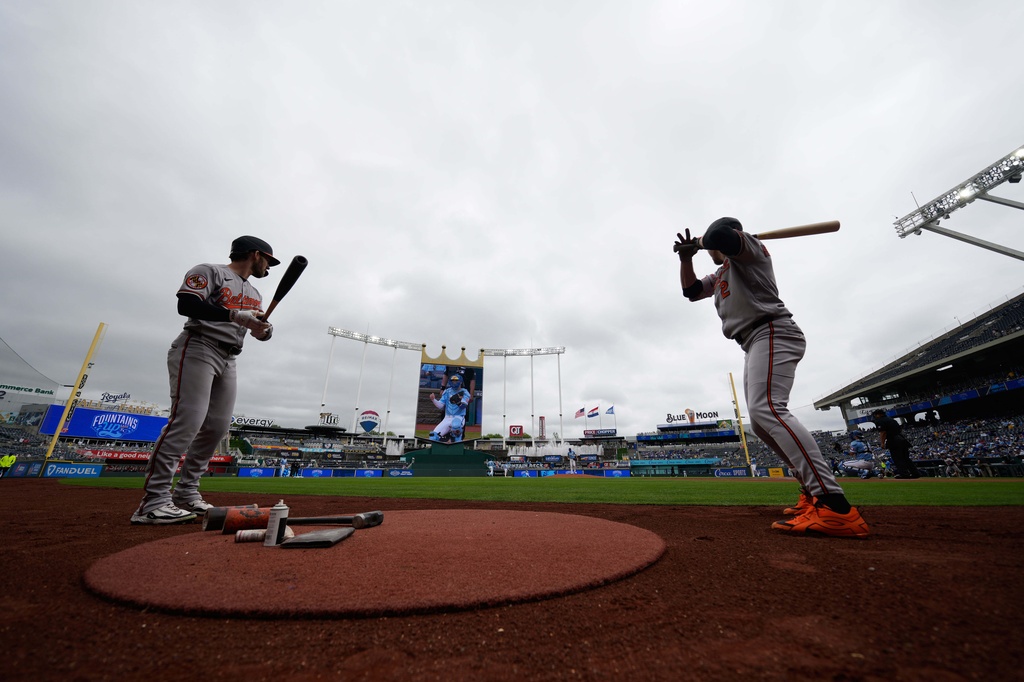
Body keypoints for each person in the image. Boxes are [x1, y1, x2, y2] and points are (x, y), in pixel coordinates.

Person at [676, 217, 869, 537]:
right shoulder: (722, 272)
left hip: (772, 330)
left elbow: (718, 234)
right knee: (761, 420)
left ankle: (835, 507)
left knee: (769, 409)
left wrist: (700, 242)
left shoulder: (748, 250)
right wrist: (686, 259)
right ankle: (811, 492)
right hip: (754, 341)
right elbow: (691, 291)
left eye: (713, 244)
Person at [131, 236, 277, 524]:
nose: (269, 268)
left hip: (230, 356)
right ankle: (154, 501)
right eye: (268, 261)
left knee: (218, 426)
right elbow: (187, 305)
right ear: (255, 254)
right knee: (188, 420)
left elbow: (248, 325)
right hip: (199, 346)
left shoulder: (256, 293)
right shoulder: (210, 270)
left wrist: (262, 331)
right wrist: (237, 316)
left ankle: (186, 492)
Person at [871, 409, 921, 479]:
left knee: (897, 458)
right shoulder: (891, 419)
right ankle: (915, 473)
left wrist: (882, 443)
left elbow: (883, 432)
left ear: (879, 415)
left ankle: (904, 474)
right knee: (906, 458)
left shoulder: (880, 421)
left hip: (893, 440)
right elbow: (900, 429)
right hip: (901, 438)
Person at [428, 373, 471, 443]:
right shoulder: (447, 392)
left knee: (456, 426)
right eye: (453, 381)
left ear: (461, 382)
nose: (454, 383)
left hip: (458, 417)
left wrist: (458, 402)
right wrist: (433, 400)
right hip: (447, 418)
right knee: (433, 436)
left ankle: (456, 441)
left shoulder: (464, 392)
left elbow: (464, 405)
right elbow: (441, 405)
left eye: (456, 381)